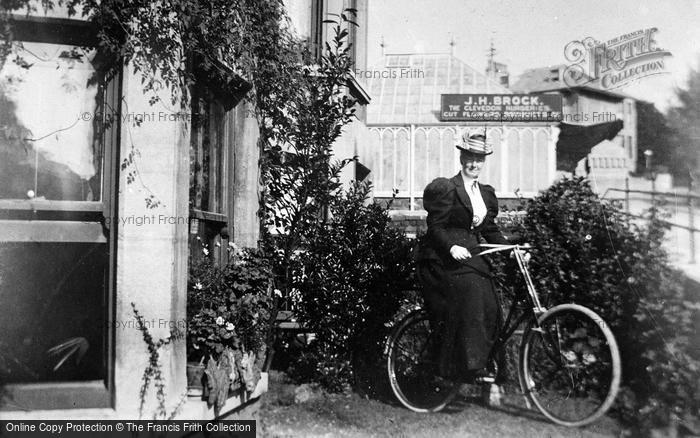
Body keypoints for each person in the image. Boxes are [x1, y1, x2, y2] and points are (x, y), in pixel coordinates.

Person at [416, 131, 510, 384]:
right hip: (441, 256)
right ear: (461, 156)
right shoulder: (447, 187)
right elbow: (435, 227)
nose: (474, 163)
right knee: (471, 291)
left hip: (471, 255)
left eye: (479, 158)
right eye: (470, 156)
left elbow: (488, 229)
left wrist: (510, 249)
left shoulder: (485, 193)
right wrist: (451, 248)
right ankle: (467, 366)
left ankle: (484, 364)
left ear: (484, 160)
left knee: (491, 302)